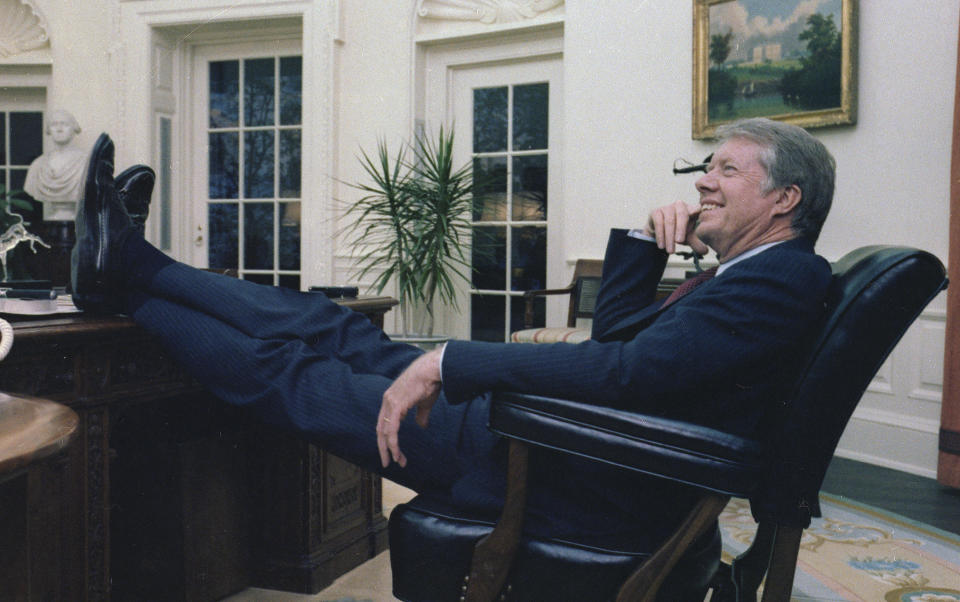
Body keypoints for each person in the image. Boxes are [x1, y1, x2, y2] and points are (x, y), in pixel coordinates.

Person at [70, 117, 834, 550]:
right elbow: (621, 344)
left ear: (783, 198)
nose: (702, 181)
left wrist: (450, 360)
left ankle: (127, 286)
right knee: (330, 324)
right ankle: (135, 262)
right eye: (707, 166)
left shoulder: (781, 277)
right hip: (558, 436)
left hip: (558, 462)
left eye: (726, 171)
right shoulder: (751, 273)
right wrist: (645, 242)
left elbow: (627, 373)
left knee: (289, 370)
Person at [24, 110, 88, 220]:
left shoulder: (86, 162)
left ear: (74, 129)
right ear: (49, 130)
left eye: (65, 124)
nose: (59, 129)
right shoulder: (38, 164)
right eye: (54, 125)